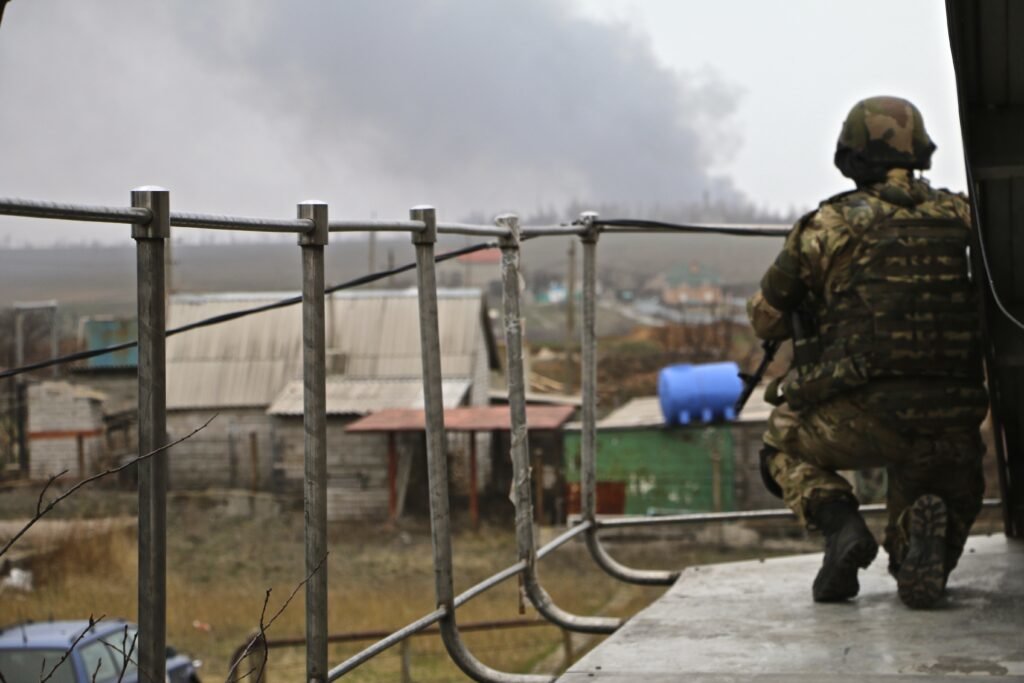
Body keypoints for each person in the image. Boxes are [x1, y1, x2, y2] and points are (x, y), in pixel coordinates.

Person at [748, 95, 988, 609]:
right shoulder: (964, 215)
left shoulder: (829, 226)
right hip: (953, 421)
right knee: (933, 514)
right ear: (921, 150)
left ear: (850, 156)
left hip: (861, 415)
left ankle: (841, 526)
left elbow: (765, 316)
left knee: (778, 447)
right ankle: (921, 542)